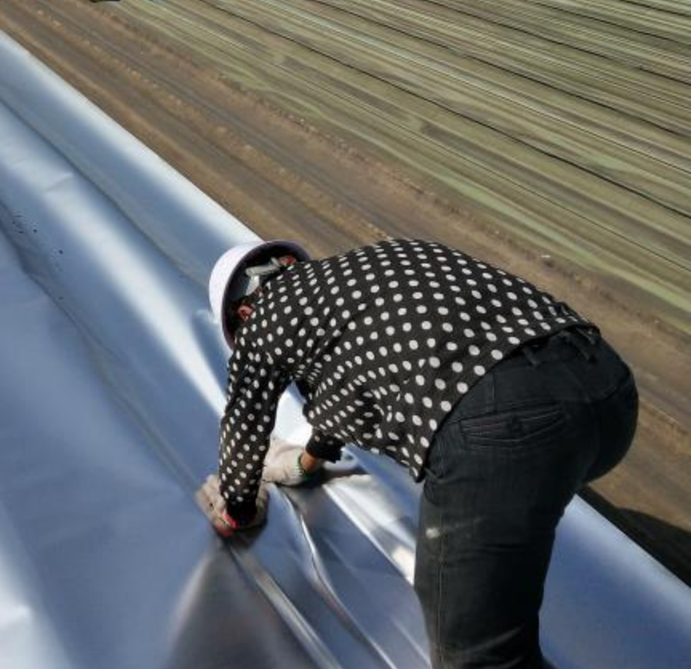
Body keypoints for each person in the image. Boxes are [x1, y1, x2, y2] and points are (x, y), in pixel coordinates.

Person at [197, 238, 638, 669]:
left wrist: (238, 507)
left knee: (477, 655)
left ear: (242, 313)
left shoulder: (264, 321)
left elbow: (244, 422)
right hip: (607, 390)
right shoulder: (377, 267)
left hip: (507, 422)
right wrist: (304, 462)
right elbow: (346, 396)